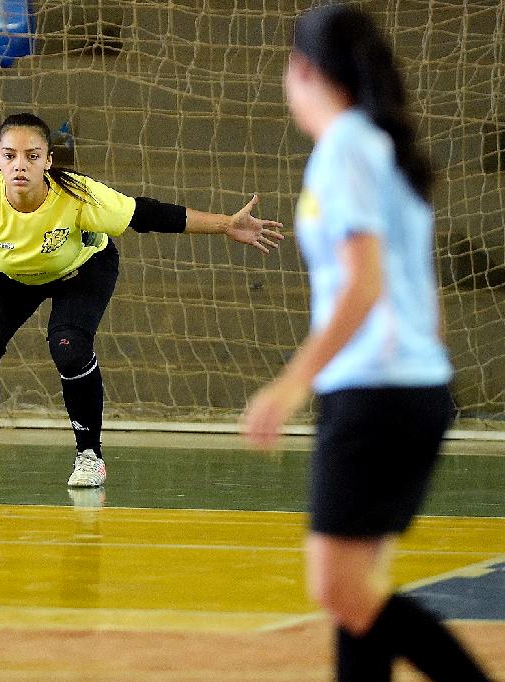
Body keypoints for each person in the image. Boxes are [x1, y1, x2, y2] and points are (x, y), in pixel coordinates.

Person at [0, 112, 283, 489]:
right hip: (9, 275)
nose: (20, 165)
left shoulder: (79, 196)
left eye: (32, 156)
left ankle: (90, 456)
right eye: (10, 155)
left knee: (68, 346)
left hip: (81, 270)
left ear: (48, 160)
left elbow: (146, 213)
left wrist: (226, 224)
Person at [241, 5, 490, 681]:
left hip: (377, 392)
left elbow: (365, 283)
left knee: (339, 589)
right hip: (409, 388)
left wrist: (291, 383)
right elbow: (420, 293)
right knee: (359, 595)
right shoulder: (382, 148)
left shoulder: (347, 148)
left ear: (304, 69)